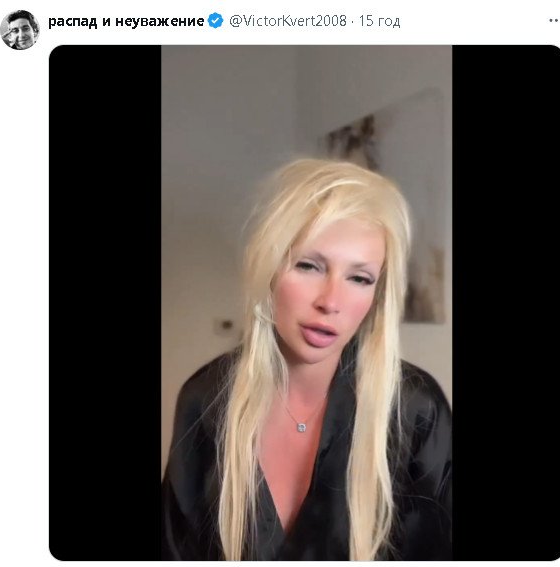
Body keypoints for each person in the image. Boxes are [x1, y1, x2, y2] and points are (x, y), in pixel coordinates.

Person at [161, 158, 452, 560]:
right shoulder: (206, 397)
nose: (331, 302)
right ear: (268, 268)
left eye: (359, 278)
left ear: (376, 295)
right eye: (309, 266)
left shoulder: (415, 409)